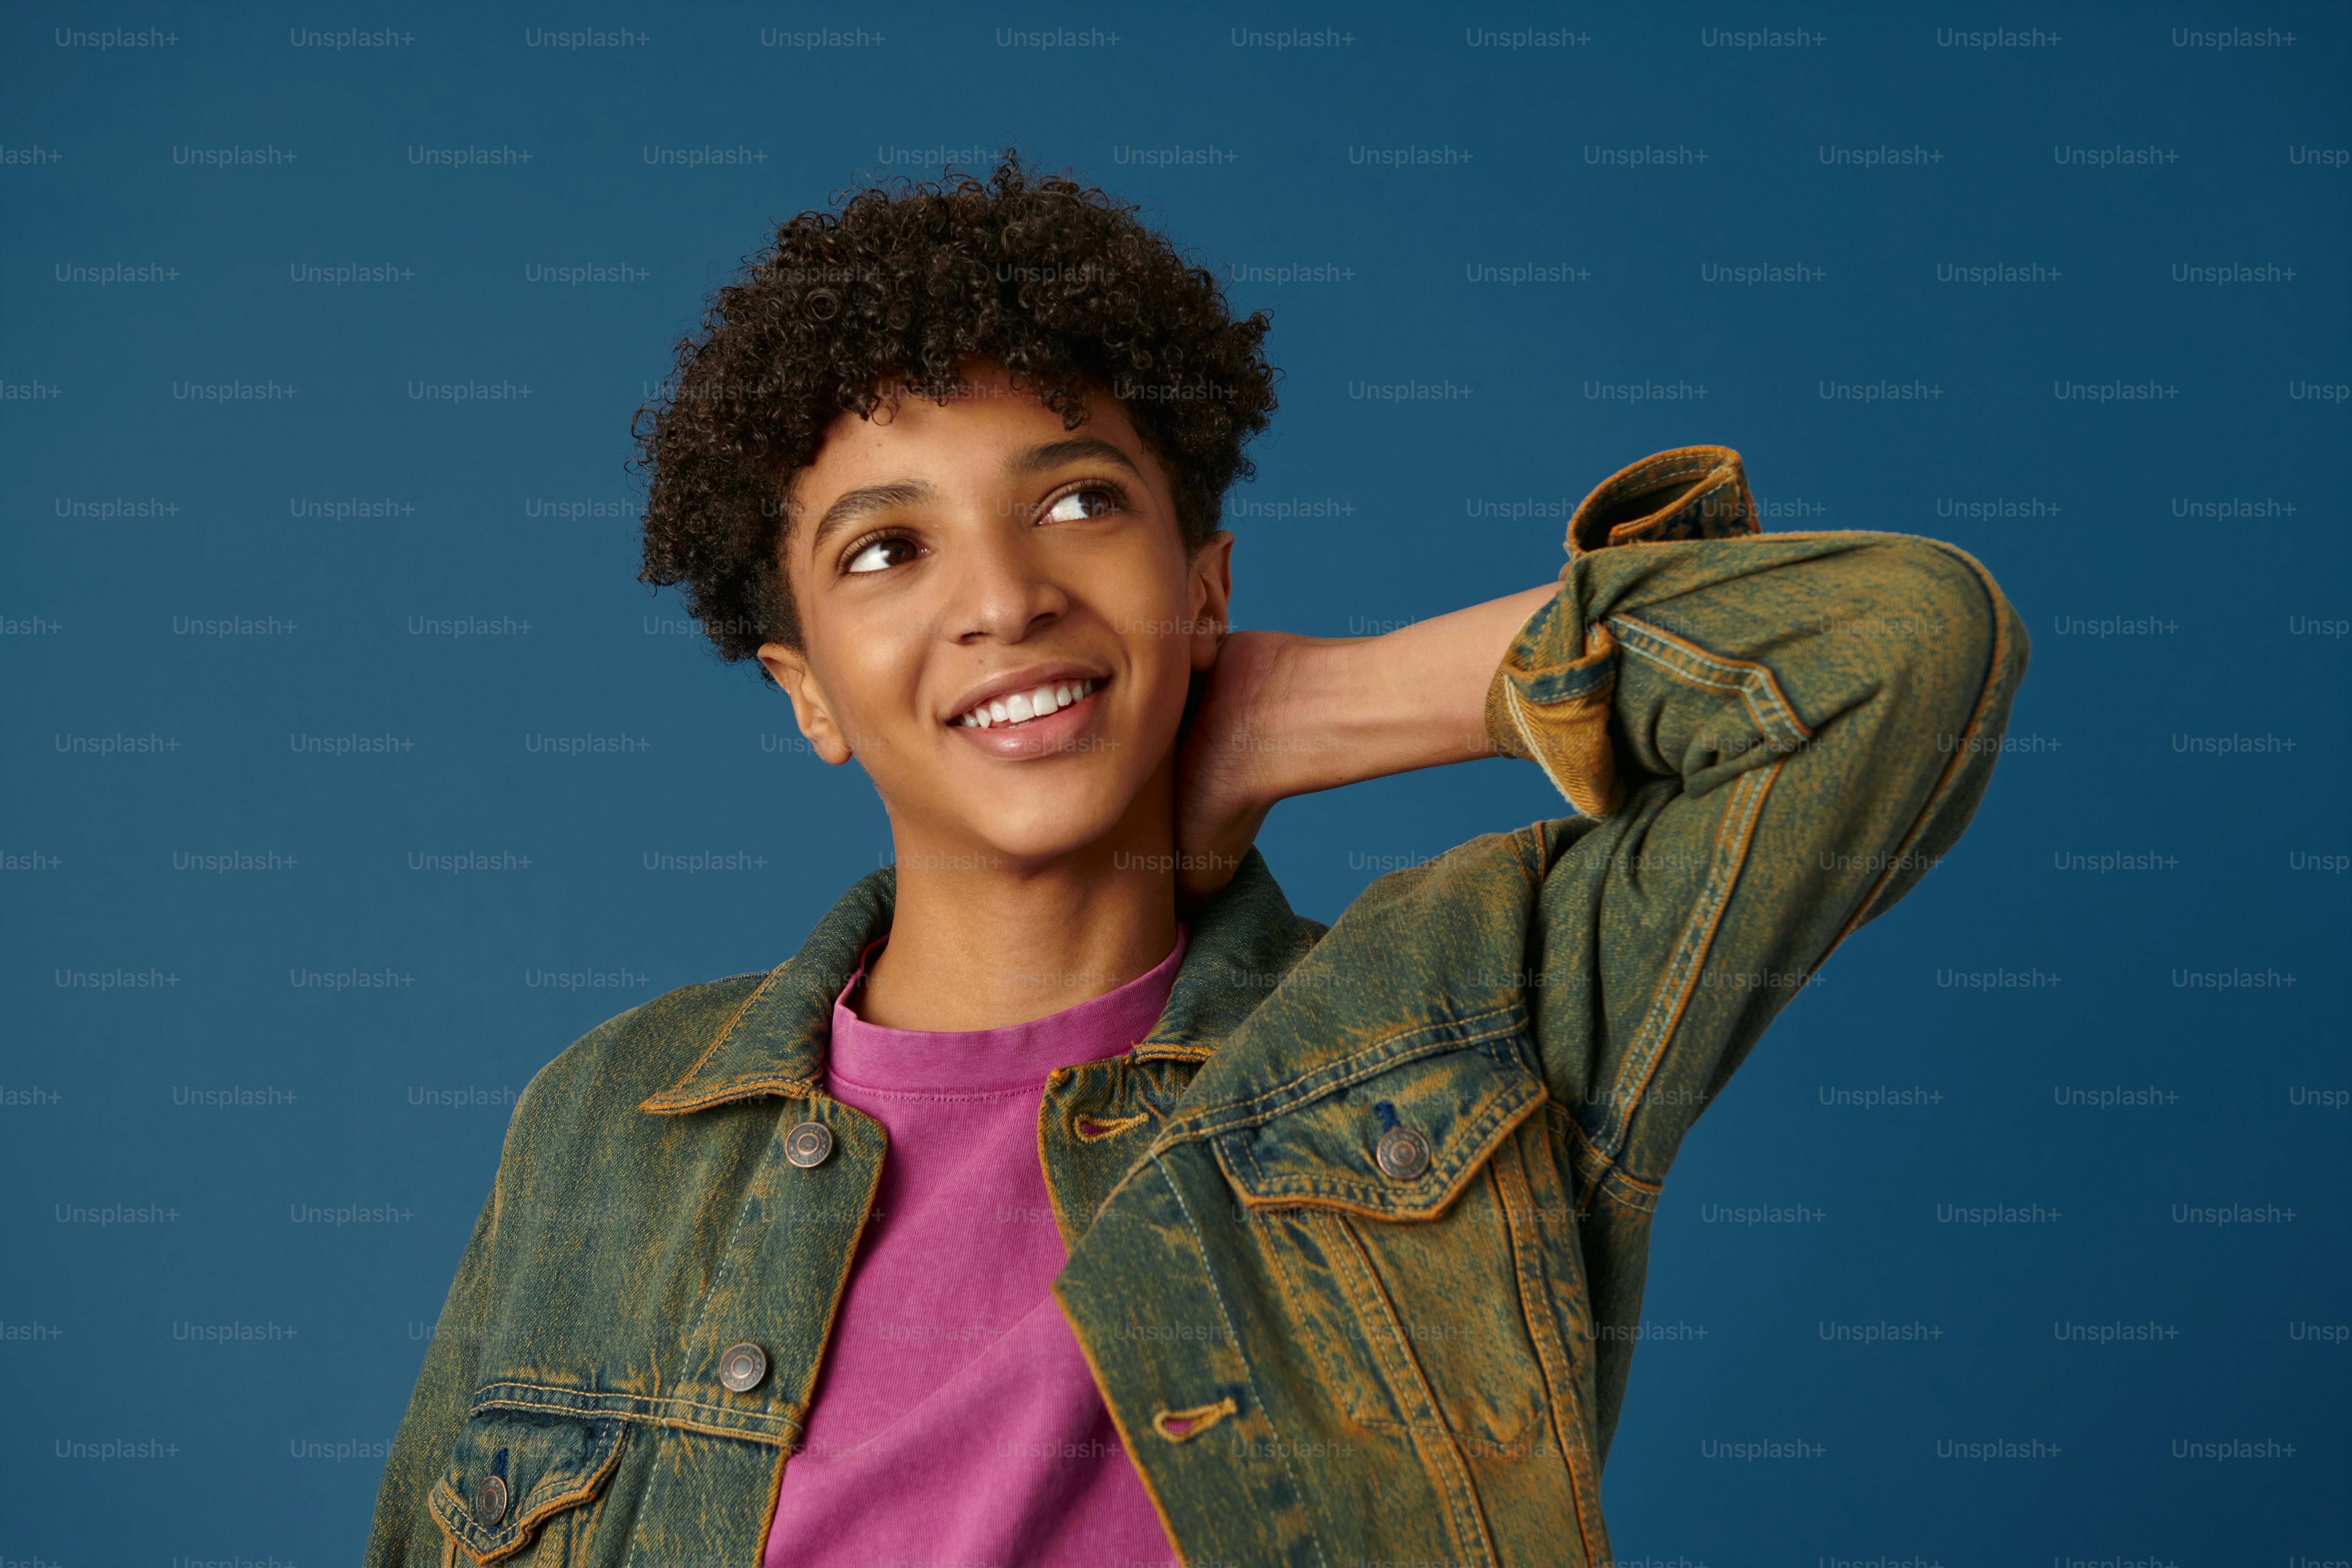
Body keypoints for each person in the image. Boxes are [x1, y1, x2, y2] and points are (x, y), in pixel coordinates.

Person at [365, 152, 2027, 1567]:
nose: (1004, 597)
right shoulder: (612, 1120)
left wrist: (1308, 709)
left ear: (1208, 586)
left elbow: (1898, 649)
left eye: (1078, 502)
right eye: (886, 547)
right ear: (807, 690)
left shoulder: (1462, 1023)